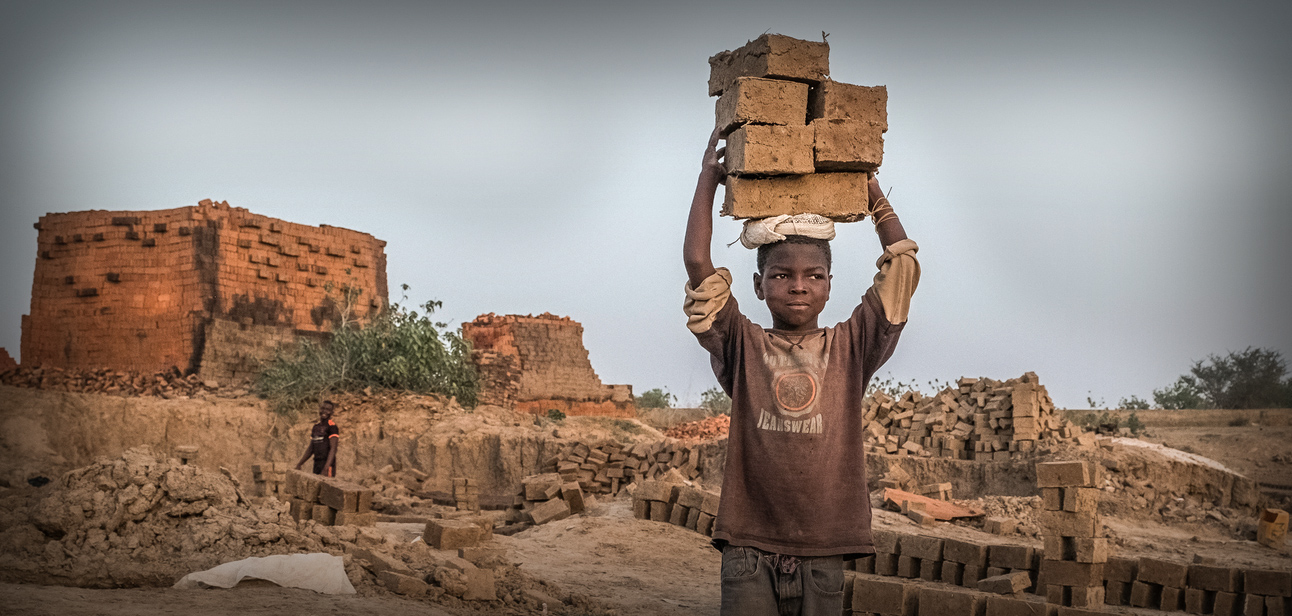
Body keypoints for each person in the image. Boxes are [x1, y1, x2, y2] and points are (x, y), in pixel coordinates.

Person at [682, 128, 920, 616]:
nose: (798, 286)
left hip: (825, 549)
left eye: (814, 276)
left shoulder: (851, 347)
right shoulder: (743, 344)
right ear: (758, 284)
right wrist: (709, 178)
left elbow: (902, 267)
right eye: (781, 275)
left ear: (831, 286)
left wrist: (868, 189)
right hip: (747, 544)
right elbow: (697, 263)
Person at [295, 400, 339, 477]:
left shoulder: (332, 427)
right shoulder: (316, 427)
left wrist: (326, 468)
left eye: (328, 409)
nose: (324, 411)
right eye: (323, 408)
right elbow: (311, 448)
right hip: (316, 464)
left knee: (326, 488)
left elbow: (333, 449)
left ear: (332, 412)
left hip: (327, 465)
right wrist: (300, 464)